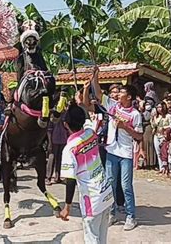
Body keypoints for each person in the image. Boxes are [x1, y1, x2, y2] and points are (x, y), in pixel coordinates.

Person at [87, 67, 143, 231]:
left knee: (126, 186)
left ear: (129, 97)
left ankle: (131, 216)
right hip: (112, 151)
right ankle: (111, 213)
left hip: (125, 154)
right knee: (110, 183)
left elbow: (139, 136)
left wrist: (125, 127)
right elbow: (98, 93)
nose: (118, 95)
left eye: (122, 93)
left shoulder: (135, 114)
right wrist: (95, 76)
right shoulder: (113, 106)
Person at [58, 103, 113, 244]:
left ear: (65, 124)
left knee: (91, 238)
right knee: (102, 237)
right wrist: (80, 103)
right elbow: (87, 119)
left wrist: (67, 206)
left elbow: (70, 180)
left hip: (92, 199)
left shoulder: (70, 149)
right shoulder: (91, 133)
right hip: (106, 192)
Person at [46, 111, 68, 185]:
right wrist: (49, 142)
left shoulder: (66, 114)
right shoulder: (53, 114)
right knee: (52, 158)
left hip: (63, 139)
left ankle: (57, 177)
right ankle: (48, 177)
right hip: (54, 140)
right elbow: (49, 130)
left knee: (60, 159)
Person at [151, 102, 171, 172]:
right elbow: (153, 125)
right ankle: (161, 168)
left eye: (160, 107)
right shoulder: (156, 116)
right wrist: (153, 118)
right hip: (157, 135)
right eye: (158, 107)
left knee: (165, 152)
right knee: (158, 152)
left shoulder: (168, 116)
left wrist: (165, 128)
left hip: (164, 135)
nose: (159, 109)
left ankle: (168, 168)